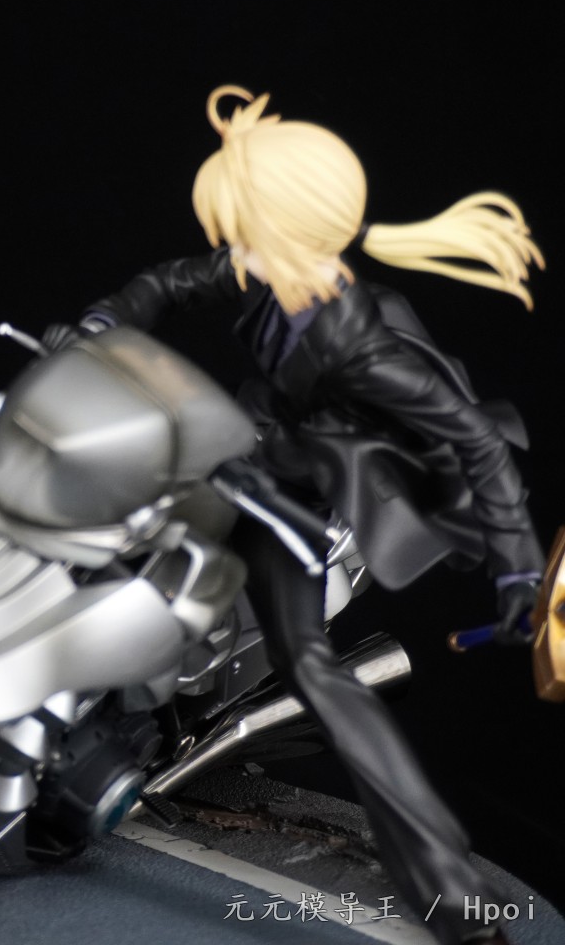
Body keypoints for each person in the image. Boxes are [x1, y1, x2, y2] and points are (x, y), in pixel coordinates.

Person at [64, 84, 544, 945]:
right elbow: (171, 282)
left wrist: (518, 570)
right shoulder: (271, 271)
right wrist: (103, 324)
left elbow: (476, 440)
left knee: (316, 673)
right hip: (230, 458)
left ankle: (450, 892)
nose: (232, 247)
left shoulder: (365, 350)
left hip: (291, 508)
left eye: (243, 225)